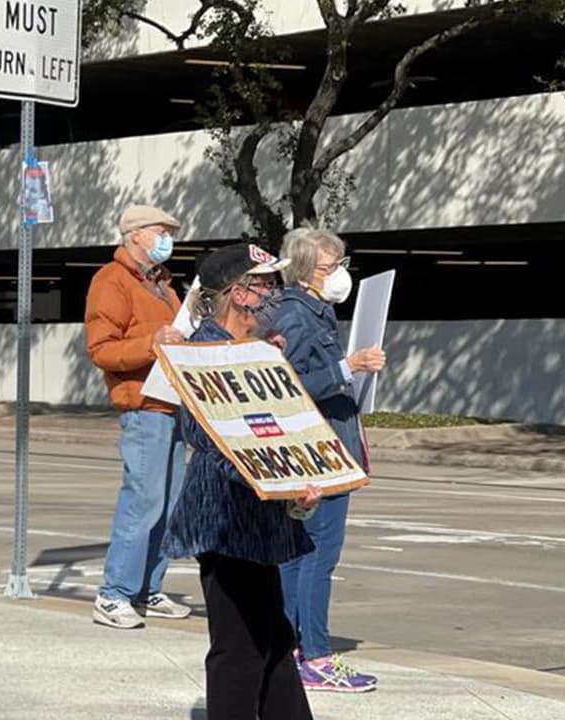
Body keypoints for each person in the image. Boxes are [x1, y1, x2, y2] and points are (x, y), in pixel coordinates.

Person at [163, 243, 322, 720]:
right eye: (267, 285)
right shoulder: (202, 353)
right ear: (239, 293)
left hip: (260, 517)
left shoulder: (257, 348)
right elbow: (208, 438)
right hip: (225, 519)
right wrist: (278, 481)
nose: (275, 294)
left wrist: (298, 479)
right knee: (239, 647)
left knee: (273, 639)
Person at [275, 227, 387, 693]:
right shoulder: (296, 315)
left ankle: (289, 650)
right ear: (304, 271)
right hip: (320, 452)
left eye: (341, 264)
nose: (340, 274)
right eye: (330, 266)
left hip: (323, 446)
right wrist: (347, 367)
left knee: (299, 555)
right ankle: (315, 655)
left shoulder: (312, 312)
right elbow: (288, 385)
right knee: (317, 555)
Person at [84, 204, 192, 629]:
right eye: (161, 232)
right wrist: (153, 343)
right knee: (142, 502)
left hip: (173, 402)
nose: (168, 239)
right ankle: (114, 594)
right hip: (143, 406)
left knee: (169, 505)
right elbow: (102, 350)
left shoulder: (162, 284)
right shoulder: (111, 281)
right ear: (135, 234)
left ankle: (148, 587)